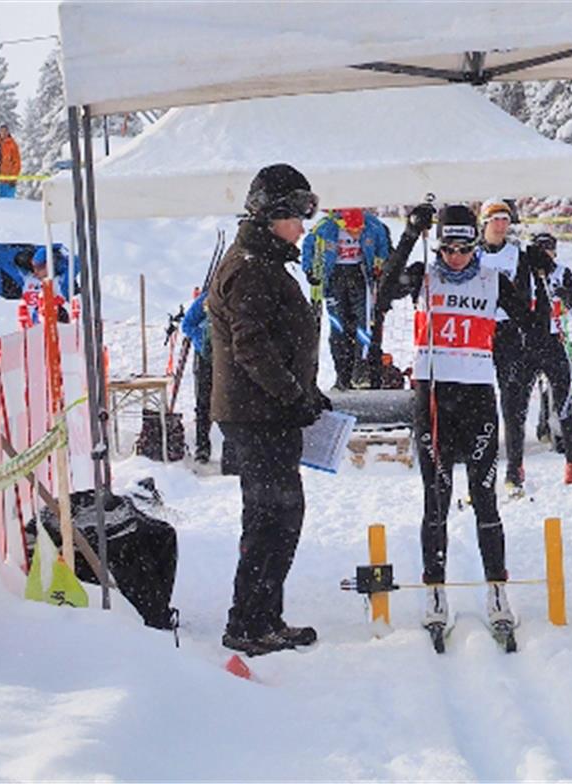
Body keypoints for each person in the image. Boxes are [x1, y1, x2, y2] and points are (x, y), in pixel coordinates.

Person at [376, 202, 534, 634]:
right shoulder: (423, 277)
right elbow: (384, 290)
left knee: (485, 497)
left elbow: (530, 320)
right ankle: (435, 591)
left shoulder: (493, 279)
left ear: (476, 245)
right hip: (432, 399)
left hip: (478, 400)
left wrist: (536, 274)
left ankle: (497, 589)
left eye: (464, 248)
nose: (456, 258)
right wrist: (410, 234)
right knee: (436, 499)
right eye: (448, 249)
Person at [208, 163, 329, 656]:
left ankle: (262, 617)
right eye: (296, 216)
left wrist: (306, 392)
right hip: (259, 417)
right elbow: (252, 348)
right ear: (272, 215)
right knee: (273, 518)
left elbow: (272, 344)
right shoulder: (251, 267)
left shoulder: (263, 261)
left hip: (266, 413)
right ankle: (249, 622)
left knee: (275, 516)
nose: (302, 227)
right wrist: (292, 395)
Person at [509, 231, 572, 486]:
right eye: (541, 249)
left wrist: (567, 296)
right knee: (517, 410)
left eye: (550, 249)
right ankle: (516, 466)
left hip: (554, 345)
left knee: (563, 408)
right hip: (527, 346)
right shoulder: (523, 270)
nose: (546, 254)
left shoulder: (562, 272)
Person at [477, 197, 539, 495]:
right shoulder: (472, 253)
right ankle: (482, 467)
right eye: (495, 220)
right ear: (485, 223)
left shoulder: (518, 255)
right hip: (478, 332)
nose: (501, 225)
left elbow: (526, 298)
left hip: (509, 333)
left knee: (512, 402)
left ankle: (514, 467)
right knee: (478, 401)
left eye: (505, 220)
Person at [303, 207, 392, 391]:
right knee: (338, 325)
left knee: (365, 323)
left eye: (359, 228)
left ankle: (361, 369)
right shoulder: (326, 227)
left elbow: (382, 246)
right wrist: (309, 269)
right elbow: (308, 245)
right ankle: (342, 373)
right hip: (335, 276)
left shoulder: (373, 225)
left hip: (360, 274)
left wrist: (381, 264)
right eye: (352, 228)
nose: (356, 232)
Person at [181, 288, 214, 463]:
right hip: (205, 358)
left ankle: (233, 450)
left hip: (231, 358)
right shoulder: (206, 299)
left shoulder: (239, 299)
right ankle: (202, 447)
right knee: (204, 403)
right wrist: (203, 343)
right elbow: (187, 324)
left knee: (232, 406)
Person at [0, 124, 20, 199]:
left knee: (9, 202)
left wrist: (13, 177)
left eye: (5, 131)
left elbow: (17, 162)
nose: (3, 133)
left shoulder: (12, 145)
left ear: (8, 132)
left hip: (9, 180)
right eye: (2, 131)